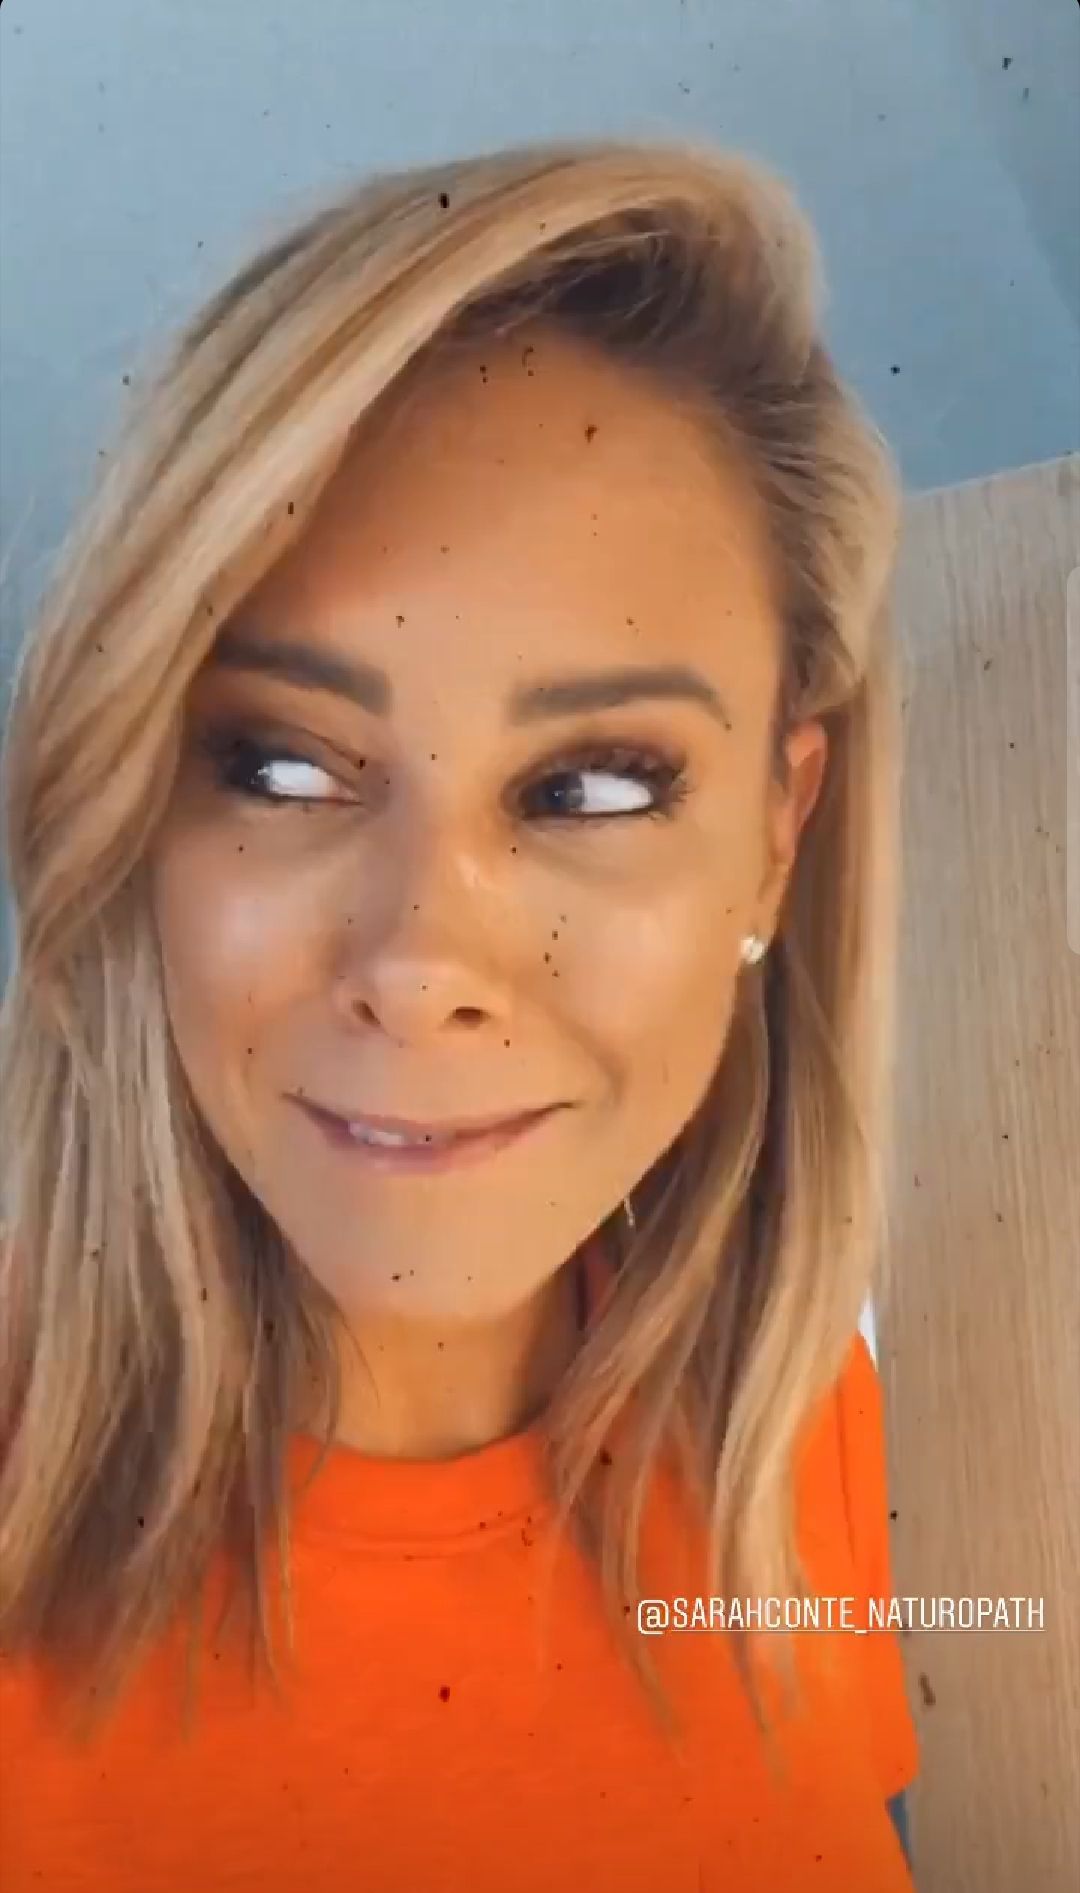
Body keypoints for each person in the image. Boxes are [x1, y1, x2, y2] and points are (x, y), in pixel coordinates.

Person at [0, 136, 918, 1889]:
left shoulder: (799, 1421)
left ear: (774, 837)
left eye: (594, 786)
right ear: (134, 802)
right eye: (282, 764)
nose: (422, 956)